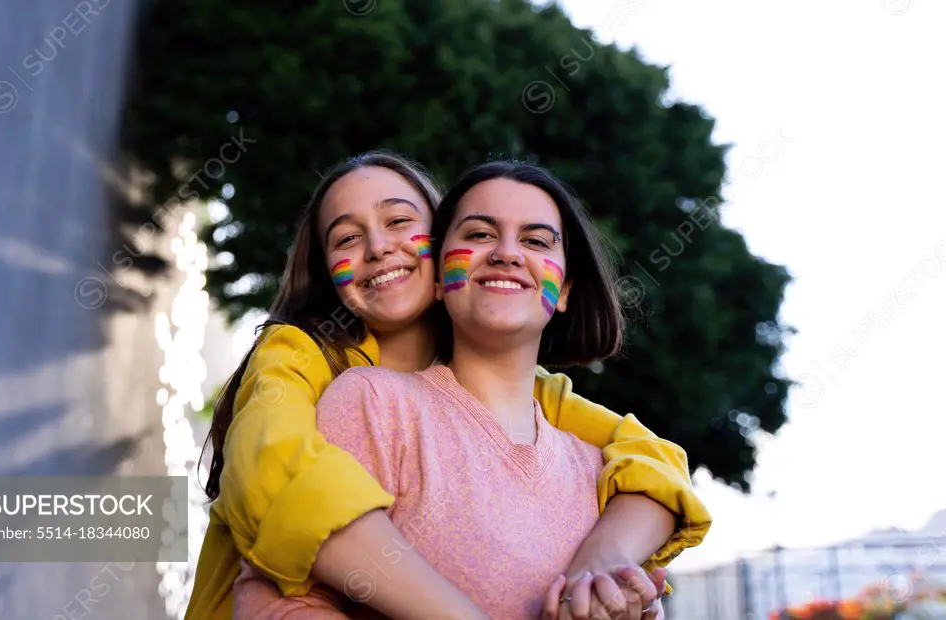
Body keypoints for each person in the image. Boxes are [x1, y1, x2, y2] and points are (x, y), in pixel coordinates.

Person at [186, 153, 712, 619]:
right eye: (347, 238)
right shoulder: (306, 361)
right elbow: (282, 482)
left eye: (398, 221)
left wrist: (599, 575)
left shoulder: (540, 401)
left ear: (436, 253)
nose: (378, 248)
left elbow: (652, 459)